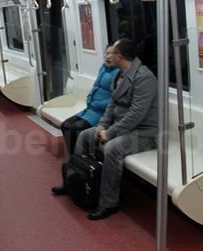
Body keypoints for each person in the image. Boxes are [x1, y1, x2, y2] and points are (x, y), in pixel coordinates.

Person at [52, 38, 158, 220]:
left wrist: (109, 133)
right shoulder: (120, 75)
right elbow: (112, 105)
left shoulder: (144, 78)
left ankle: (108, 203)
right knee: (85, 136)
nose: (108, 55)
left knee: (112, 148)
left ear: (120, 56)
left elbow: (136, 114)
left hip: (144, 132)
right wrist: (102, 125)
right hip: (123, 127)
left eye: (111, 53)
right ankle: (75, 180)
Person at [57, 45, 119, 161]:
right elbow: (96, 86)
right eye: (106, 53)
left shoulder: (119, 73)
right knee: (65, 125)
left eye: (111, 54)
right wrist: (90, 98)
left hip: (102, 112)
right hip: (91, 108)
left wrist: (96, 103)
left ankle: (82, 159)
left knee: (76, 128)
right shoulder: (103, 68)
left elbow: (115, 98)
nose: (108, 57)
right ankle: (74, 157)